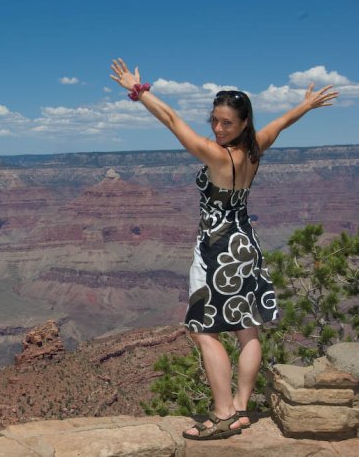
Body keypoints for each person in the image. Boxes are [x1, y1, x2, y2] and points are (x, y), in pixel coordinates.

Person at [110, 59, 339, 440]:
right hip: (246, 244)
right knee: (247, 329)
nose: (217, 128)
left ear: (243, 123)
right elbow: (280, 123)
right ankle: (241, 408)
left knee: (204, 331)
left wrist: (138, 91)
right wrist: (306, 106)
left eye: (227, 123)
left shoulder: (217, 156)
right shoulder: (255, 148)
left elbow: (170, 120)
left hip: (216, 250)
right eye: (214, 121)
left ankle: (222, 414)